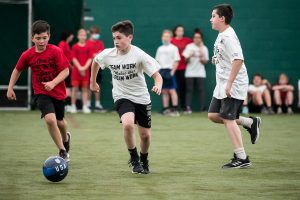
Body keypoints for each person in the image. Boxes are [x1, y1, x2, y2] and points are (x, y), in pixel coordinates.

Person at [90, 20, 162, 174]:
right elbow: (95, 62)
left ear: (130, 37)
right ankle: (134, 159)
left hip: (141, 98)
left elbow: (157, 76)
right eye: (114, 38)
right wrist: (93, 82)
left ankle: (144, 159)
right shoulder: (108, 54)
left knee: (145, 136)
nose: (116, 41)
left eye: (119, 38)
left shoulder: (139, 54)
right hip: (122, 96)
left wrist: (158, 85)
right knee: (128, 124)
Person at [6, 20, 71, 161]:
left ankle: (66, 138)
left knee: (60, 122)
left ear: (49, 36)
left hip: (58, 92)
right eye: (38, 38)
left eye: (44, 38)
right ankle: (62, 150)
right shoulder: (27, 55)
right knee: (50, 119)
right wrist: (10, 87)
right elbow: (17, 70)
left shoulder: (55, 51)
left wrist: (53, 83)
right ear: (32, 38)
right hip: (41, 92)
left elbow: (65, 71)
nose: (41, 41)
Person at [208, 4, 261, 169]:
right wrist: (217, 58)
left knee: (228, 119)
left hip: (233, 83)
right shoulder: (221, 34)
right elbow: (227, 55)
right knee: (213, 115)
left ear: (222, 18)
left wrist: (229, 83)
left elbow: (238, 60)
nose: (211, 19)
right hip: (222, 82)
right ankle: (249, 123)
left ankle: (242, 158)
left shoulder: (228, 37)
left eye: (213, 16)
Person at [182, 28, 209, 113]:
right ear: (193, 38)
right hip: (189, 73)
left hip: (200, 73)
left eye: (198, 37)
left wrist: (202, 56)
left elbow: (205, 61)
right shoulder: (189, 47)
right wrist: (189, 56)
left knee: (201, 90)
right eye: (195, 37)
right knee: (189, 90)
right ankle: (188, 108)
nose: (197, 39)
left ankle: (203, 108)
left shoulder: (204, 48)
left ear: (201, 39)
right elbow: (186, 61)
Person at [155, 29, 180, 116]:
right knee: (164, 91)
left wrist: (173, 71)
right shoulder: (160, 48)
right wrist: (157, 73)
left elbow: (176, 61)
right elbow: (157, 61)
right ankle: (165, 109)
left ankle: (175, 109)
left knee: (172, 90)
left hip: (169, 70)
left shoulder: (174, 48)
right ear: (162, 37)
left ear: (170, 38)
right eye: (164, 36)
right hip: (161, 71)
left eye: (167, 37)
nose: (165, 38)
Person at [70, 29, 93, 114]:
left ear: (86, 36)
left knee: (85, 89)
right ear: (78, 36)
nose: (82, 37)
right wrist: (80, 68)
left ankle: (85, 106)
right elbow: (73, 58)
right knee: (75, 89)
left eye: (84, 35)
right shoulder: (75, 46)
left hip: (86, 72)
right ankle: (73, 106)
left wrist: (84, 68)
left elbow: (90, 59)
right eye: (81, 35)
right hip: (76, 72)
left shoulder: (88, 47)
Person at [171, 25, 192, 111]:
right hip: (172, 68)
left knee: (182, 87)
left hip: (183, 68)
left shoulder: (187, 40)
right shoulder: (171, 41)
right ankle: (172, 107)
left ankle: (183, 106)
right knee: (172, 88)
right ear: (175, 31)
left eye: (182, 31)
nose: (180, 32)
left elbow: (194, 45)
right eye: (179, 30)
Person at [86, 26, 106, 112]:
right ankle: (88, 104)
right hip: (88, 67)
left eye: (97, 33)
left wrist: (96, 55)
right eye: (94, 33)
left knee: (97, 84)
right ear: (91, 34)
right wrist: (94, 56)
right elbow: (88, 55)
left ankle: (97, 104)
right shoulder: (87, 43)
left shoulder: (100, 43)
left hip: (99, 67)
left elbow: (101, 55)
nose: (96, 35)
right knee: (88, 85)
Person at [58, 31, 74, 108]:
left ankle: (67, 104)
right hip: (64, 69)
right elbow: (61, 56)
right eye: (71, 35)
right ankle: (66, 104)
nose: (72, 36)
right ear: (68, 36)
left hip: (68, 69)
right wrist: (68, 66)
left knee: (68, 86)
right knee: (66, 86)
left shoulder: (67, 44)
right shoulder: (62, 44)